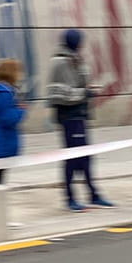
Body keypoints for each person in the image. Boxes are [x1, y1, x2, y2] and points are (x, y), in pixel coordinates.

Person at [47, 29, 113, 212]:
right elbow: (59, 92)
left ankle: (93, 194)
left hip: (79, 114)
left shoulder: (73, 58)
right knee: (73, 158)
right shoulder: (61, 62)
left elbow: (75, 86)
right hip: (70, 116)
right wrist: (86, 92)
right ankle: (71, 198)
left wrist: (86, 89)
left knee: (85, 157)